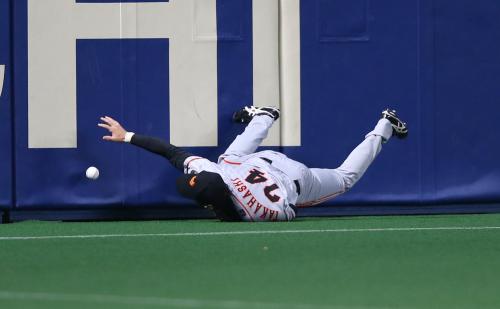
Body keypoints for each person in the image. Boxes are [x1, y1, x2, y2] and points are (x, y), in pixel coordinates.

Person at [98, 106, 408, 222]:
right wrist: (128, 136)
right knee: (227, 159)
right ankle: (264, 116)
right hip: (262, 162)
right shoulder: (211, 172)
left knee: (343, 179)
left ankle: (385, 126)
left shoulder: (256, 214)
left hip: (295, 180)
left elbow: (289, 209)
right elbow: (170, 151)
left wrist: (126, 137)